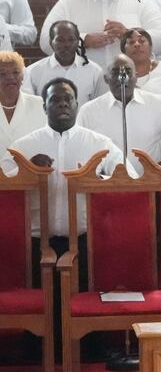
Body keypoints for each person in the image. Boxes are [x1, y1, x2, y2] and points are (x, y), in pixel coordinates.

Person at [10, 77, 123, 246]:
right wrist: (27, 169)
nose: (62, 104)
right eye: (55, 99)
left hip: (86, 241)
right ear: (44, 108)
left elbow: (127, 180)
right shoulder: (23, 146)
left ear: (76, 105)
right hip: (33, 243)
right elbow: (4, 185)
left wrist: (96, 180)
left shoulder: (100, 144)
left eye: (68, 99)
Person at [79, 54, 161, 181]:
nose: (122, 78)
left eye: (128, 71)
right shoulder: (89, 111)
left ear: (136, 76)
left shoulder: (158, 104)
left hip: (151, 184)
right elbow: (81, 147)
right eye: (115, 72)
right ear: (106, 78)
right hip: (103, 186)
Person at [25, 20, 106, 100]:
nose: (67, 44)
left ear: (78, 42)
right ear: (50, 42)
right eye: (60, 40)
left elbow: (99, 106)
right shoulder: (33, 72)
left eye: (71, 39)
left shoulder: (94, 72)